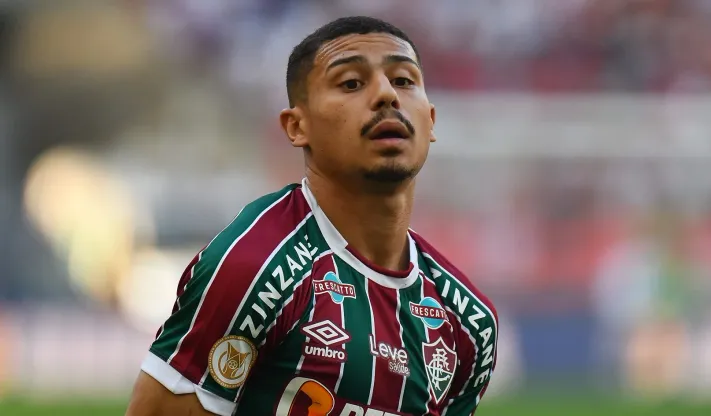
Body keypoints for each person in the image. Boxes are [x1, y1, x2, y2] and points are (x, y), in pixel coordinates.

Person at [125, 16, 498, 416]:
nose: (387, 95)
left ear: (431, 120)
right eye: (352, 83)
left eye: (404, 80)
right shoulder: (255, 269)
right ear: (297, 127)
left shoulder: (469, 322)